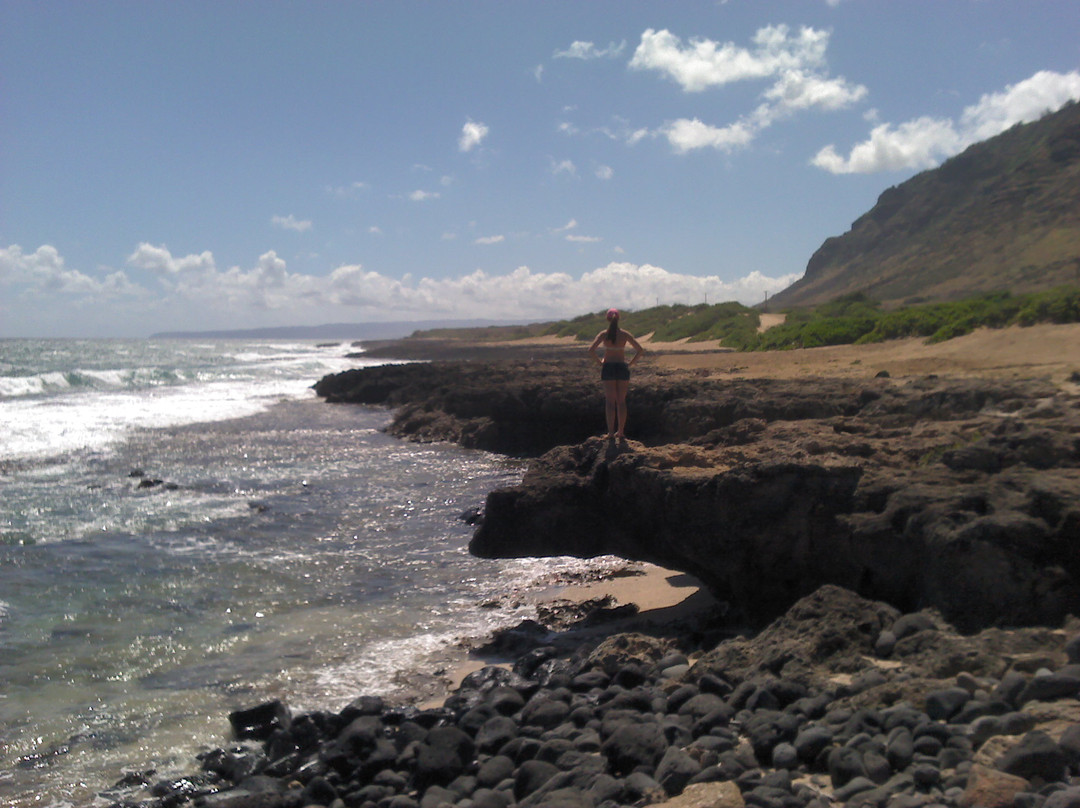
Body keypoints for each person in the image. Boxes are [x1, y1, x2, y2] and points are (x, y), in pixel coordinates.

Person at [588, 308, 644, 439]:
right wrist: (631, 363)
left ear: (607, 319)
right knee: (621, 401)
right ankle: (621, 431)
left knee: (610, 402)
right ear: (618, 319)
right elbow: (640, 350)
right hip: (621, 367)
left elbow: (591, 350)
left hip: (608, 367)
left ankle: (611, 433)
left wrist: (600, 362)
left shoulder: (604, 334)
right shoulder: (624, 334)